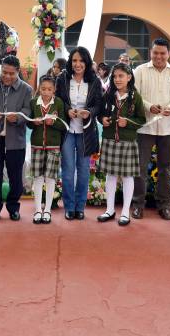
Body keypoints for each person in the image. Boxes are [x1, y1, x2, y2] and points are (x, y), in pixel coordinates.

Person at [132, 38, 170, 221]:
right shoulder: (140, 70)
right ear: (151, 52)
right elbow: (135, 94)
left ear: (169, 54)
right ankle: (138, 205)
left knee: (165, 169)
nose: (159, 56)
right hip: (145, 127)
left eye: (163, 53)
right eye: (156, 53)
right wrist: (148, 106)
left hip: (168, 128)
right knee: (140, 168)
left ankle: (164, 205)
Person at [0, 55, 32, 222]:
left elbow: (28, 111)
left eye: (11, 73)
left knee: (15, 177)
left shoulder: (26, 89)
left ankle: (13, 207)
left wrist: (17, 117)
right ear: (0, 69)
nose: (7, 76)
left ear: (18, 72)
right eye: (4, 72)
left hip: (15, 140)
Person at [55, 47, 103, 220]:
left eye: (81, 61)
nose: (78, 64)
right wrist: (67, 110)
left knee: (83, 171)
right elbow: (57, 100)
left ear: (87, 62)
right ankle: (69, 207)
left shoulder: (95, 80)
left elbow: (99, 105)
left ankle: (80, 207)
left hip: (86, 131)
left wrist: (89, 112)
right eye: (74, 60)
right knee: (67, 171)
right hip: (67, 130)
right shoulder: (62, 78)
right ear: (70, 62)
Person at [96, 63, 146, 226]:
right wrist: (102, 119)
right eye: (115, 76)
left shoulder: (135, 97)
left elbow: (141, 120)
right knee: (110, 176)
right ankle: (110, 210)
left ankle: (125, 212)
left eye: (121, 76)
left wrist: (128, 122)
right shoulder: (108, 95)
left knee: (127, 177)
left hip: (128, 141)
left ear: (129, 77)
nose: (117, 79)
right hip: (109, 140)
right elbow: (100, 114)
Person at [29, 75, 66, 224]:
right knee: (37, 178)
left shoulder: (58, 103)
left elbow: (64, 125)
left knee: (50, 179)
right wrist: (34, 122)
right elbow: (28, 123)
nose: (46, 92)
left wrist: (53, 123)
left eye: (49, 89)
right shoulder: (33, 102)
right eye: (43, 89)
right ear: (39, 88)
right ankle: (38, 210)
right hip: (37, 145)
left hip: (53, 146)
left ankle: (48, 210)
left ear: (54, 90)